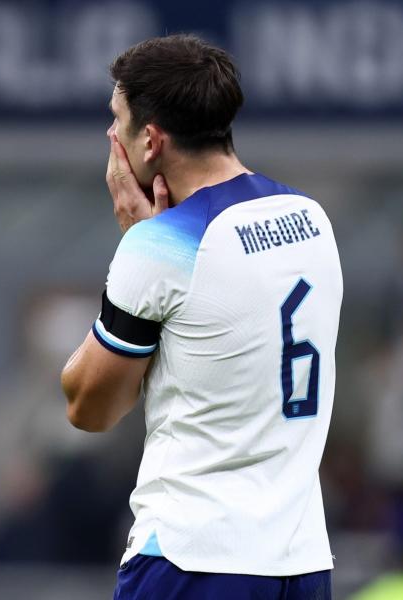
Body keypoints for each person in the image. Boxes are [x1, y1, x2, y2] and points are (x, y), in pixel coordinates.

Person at [60, 34, 343, 599]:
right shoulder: (310, 218)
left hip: (194, 559)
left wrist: (142, 242)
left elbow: (89, 406)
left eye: (117, 121)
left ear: (152, 140)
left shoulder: (161, 247)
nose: (111, 137)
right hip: (302, 562)